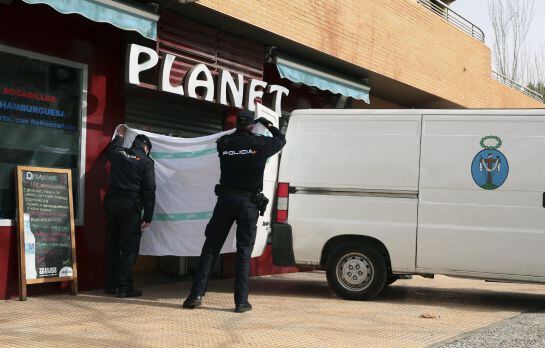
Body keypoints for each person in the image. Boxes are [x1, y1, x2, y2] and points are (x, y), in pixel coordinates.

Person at [183, 110, 286, 313]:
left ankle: (195, 295)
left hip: (225, 201)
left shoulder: (224, 143)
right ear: (252, 126)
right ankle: (240, 302)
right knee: (243, 252)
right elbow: (281, 140)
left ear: (237, 124)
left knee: (211, 248)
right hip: (248, 203)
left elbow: (227, 140)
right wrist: (268, 125)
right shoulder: (260, 143)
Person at [105, 125, 156, 298]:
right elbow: (149, 190)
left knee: (112, 246)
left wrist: (119, 136)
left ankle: (111, 285)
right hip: (130, 208)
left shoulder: (119, 152)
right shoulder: (147, 162)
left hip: (112, 205)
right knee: (129, 249)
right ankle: (124, 287)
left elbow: (111, 149)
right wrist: (148, 216)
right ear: (146, 148)